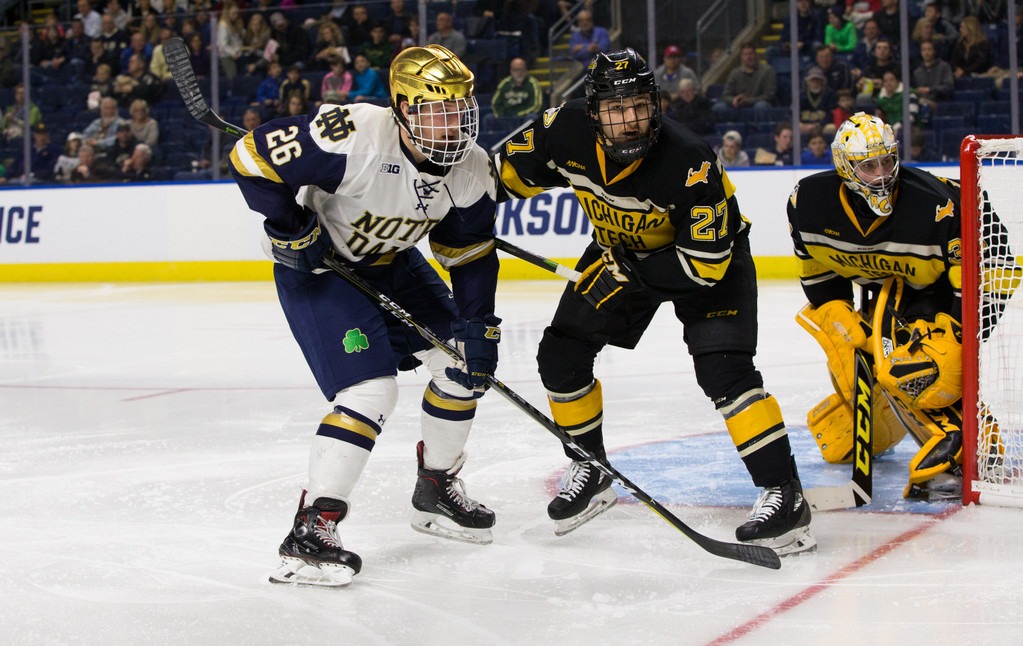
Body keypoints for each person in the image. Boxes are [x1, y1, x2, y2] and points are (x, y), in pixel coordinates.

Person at [492, 49, 813, 553]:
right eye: (615, 110)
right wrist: (449, 210)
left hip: (709, 262)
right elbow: (492, 178)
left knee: (725, 371)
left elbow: (705, 265)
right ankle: (592, 469)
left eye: (638, 106)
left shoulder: (687, 159)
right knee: (561, 354)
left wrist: (630, 273)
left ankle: (785, 495)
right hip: (622, 254)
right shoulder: (561, 130)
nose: (629, 122)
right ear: (593, 112)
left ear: (655, 105)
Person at [227, 44, 502, 588]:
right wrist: (287, 225)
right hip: (320, 268)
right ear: (401, 108)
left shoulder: (471, 168)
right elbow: (250, 159)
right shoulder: (352, 133)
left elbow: (469, 255)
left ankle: (435, 490)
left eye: (458, 110)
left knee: (462, 365)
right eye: (435, 111)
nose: (450, 126)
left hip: (392, 263)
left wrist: (479, 326)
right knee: (371, 392)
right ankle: (312, 527)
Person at [787, 112, 977, 500]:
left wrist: (956, 332)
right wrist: (839, 318)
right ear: (845, 166)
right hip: (888, 292)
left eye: (887, 161)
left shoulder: (937, 204)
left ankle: (962, 447)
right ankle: (875, 425)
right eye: (869, 165)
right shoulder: (808, 203)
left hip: (942, 291)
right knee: (854, 359)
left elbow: (981, 275)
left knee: (921, 369)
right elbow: (818, 276)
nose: (882, 174)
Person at [714, 42, 777, 117]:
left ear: (756, 54)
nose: (748, 57)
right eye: (745, 54)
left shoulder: (767, 70)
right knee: (718, 107)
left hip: (759, 103)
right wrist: (733, 100)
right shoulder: (735, 73)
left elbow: (769, 95)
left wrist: (748, 101)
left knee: (761, 106)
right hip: (739, 105)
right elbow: (725, 95)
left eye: (751, 54)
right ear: (741, 57)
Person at [799, 66, 837, 136]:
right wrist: (802, 124)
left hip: (822, 125)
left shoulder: (829, 93)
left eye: (817, 79)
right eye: (812, 80)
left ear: (822, 81)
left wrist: (819, 125)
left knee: (832, 128)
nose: (815, 82)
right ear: (808, 81)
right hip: (804, 125)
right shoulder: (801, 95)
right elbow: (794, 113)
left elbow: (831, 114)